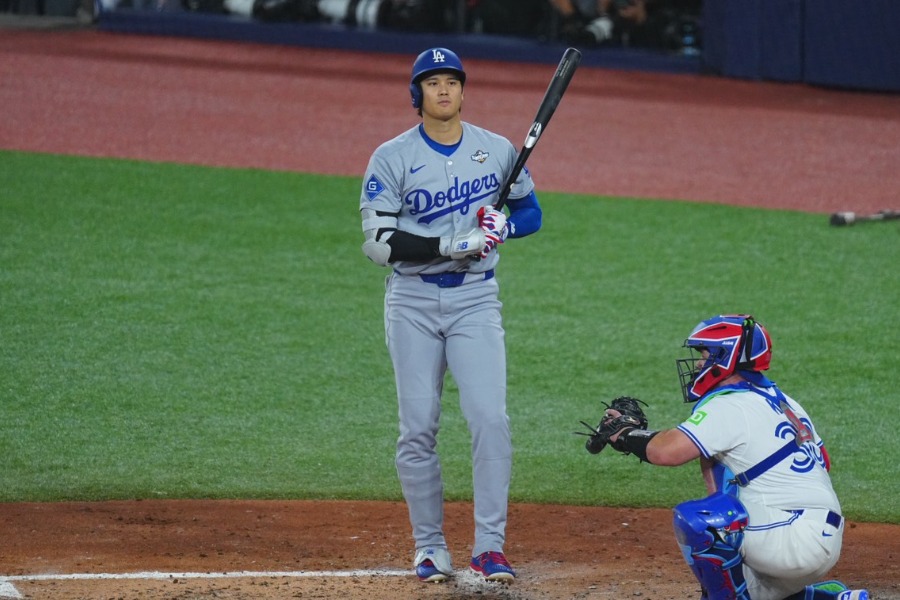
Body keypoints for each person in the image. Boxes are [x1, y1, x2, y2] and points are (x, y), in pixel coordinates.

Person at [358, 47, 543, 584]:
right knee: (417, 428)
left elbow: (531, 211)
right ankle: (430, 547)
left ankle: (490, 547)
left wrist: (504, 226)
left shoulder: (496, 149)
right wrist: (454, 239)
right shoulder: (390, 157)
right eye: (432, 82)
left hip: (476, 300)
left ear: (464, 91)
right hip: (412, 302)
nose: (443, 90)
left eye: (452, 82)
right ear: (416, 95)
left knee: (490, 419)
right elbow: (378, 243)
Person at [582, 314, 868, 600]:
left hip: (789, 541)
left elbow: (666, 452)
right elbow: (824, 462)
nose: (698, 363)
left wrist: (626, 434)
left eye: (705, 354)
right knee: (744, 578)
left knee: (704, 520)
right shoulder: (783, 401)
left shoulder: (731, 404)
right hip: (816, 538)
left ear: (726, 357)